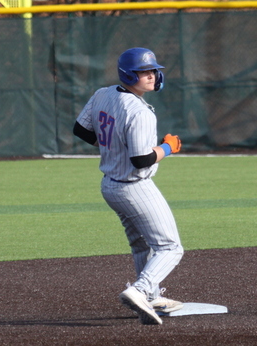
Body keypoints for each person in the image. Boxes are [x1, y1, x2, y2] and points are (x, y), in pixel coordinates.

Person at [73, 47, 184, 325]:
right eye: (144, 71)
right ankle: (141, 290)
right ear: (128, 74)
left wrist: (111, 145)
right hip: (134, 186)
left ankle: (152, 297)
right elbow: (140, 160)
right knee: (171, 247)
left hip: (110, 185)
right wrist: (168, 148)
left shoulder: (103, 94)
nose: (152, 75)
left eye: (152, 70)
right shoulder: (140, 112)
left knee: (140, 245)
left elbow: (81, 130)